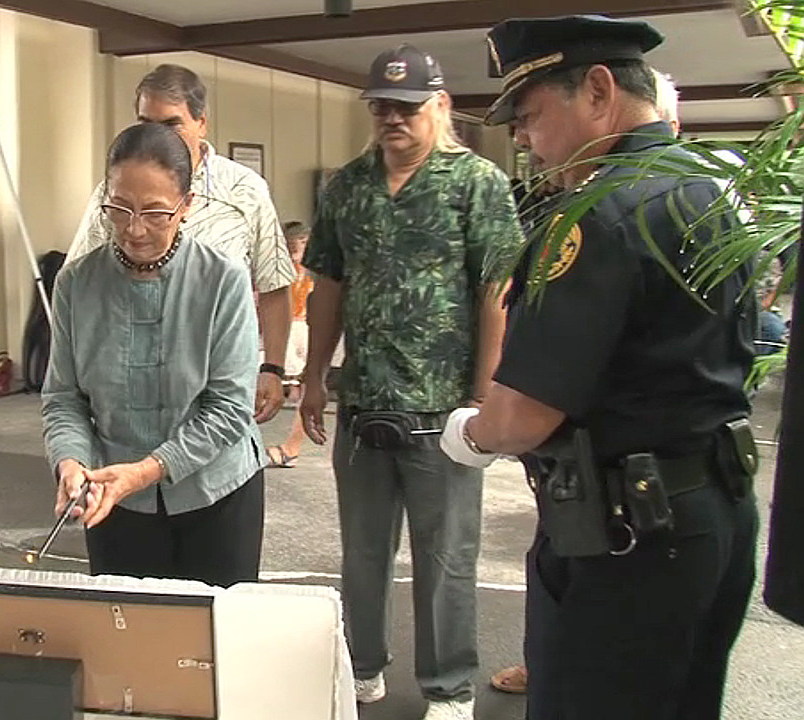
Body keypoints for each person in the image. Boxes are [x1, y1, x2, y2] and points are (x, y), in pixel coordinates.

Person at [440, 16, 759, 720]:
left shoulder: (596, 216)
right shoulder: (707, 188)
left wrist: (472, 431)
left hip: (630, 537)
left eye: (530, 115)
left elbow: (523, 415)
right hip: (715, 510)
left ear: (597, 90)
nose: (524, 139)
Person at [299, 44, 523, 720]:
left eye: (407, 106)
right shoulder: (347, 186)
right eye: (381, 107)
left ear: (440, 106)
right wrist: (312, 378)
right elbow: (328, 287)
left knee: (447, 560)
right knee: (362, 555)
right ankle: (360, 667)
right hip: (364, 403)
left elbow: (497, 292)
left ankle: (449, 687)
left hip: (445, 413)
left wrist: (483, 399)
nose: (393, 118)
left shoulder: (477, 183)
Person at [43, 122, 264, 588]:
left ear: (187, 206)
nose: (134, 229)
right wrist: (71, 462)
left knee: (214, 641)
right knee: (126, 640)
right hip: (114, 498)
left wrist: (144, 472)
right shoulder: (76, 283)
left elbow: (230, 409)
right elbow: (64, 397)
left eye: (155, 212)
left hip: (216, 495)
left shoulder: (223, 280)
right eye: (119, 209)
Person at [66, 64, 294, 425]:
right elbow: (78, 284)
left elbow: (274, 281)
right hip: (132, 391)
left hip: (217, 391)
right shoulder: (112, 194)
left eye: (171, 124)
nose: (158, 136)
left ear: (201, 122)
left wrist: (273, 368)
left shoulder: (244, 190)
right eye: (146, 123)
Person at [266, 221, 312, 468]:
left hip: (304, 327)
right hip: (292, 327)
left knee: (307, 385)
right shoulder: (283, 268)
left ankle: (292, 447)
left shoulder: (310, 271)